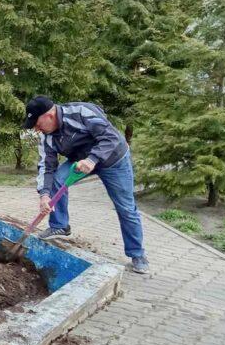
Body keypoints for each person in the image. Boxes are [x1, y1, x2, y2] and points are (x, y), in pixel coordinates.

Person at [23, 95, 149, 274]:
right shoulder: (47, 137)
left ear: (49, 115)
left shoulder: (81, 112)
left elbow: (111, 137)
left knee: (125, 207)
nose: (36, 129)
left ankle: (137, 254)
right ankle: (60, 225)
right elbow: (47, 167)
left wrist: (92, 159)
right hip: (80, 163)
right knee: (57, 180)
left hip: (114, 160)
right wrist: (44, 195)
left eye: (37, 123)